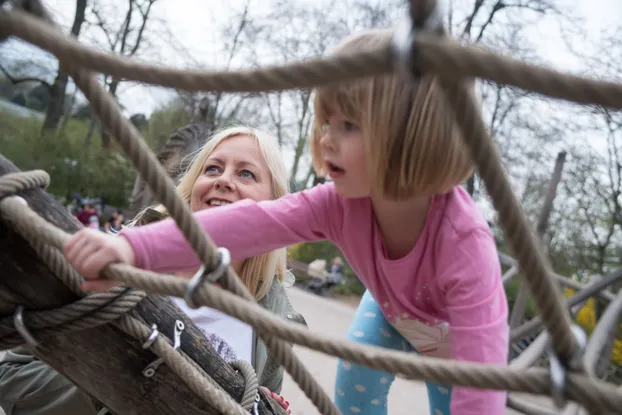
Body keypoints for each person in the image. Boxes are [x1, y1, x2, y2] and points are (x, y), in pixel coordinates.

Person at [61, 28, 509, 415]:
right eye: (325, 121)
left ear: (411, 138)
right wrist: (130, 248)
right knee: (354, 380)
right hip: (391, 307)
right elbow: (244, 225)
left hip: (454, 335)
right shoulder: (340, 203)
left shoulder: (464, 246)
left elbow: (482, 385)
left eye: (348, 125)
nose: (326, 139)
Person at [0, 125, 304, 415]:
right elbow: (12, 379)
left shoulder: (275, 320)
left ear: (273, 206)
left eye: (246, 173)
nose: (223, 180)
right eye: (212, 168)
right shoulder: (113, 266)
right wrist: (118, 377)